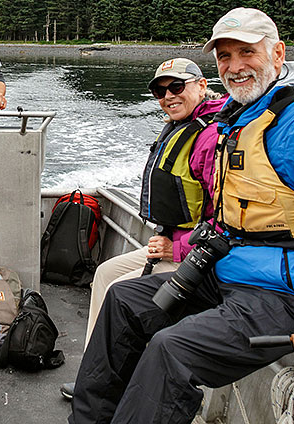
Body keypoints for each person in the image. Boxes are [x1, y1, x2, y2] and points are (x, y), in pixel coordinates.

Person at [70, 8, 294, 424]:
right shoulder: (240, 116)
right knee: (125, 302)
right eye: (224, 57)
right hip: (238, 277)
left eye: (247, 51)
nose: (234, 66)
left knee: (172, 350)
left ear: (278, 53)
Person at [60, 58, 226, 401]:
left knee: (121, 290)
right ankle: (95, 375)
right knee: (105, 273)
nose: (167, 96)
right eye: (160, 90)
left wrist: (176, 250)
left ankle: (113, 385)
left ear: (202, 85)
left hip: (200, 256)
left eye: (177, 87)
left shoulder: (211, 138)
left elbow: (227, 217)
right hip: (174, 241)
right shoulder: (183, 126)